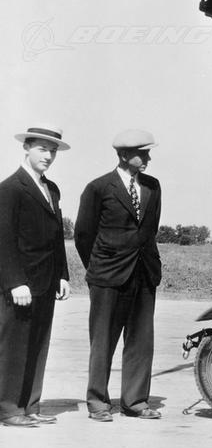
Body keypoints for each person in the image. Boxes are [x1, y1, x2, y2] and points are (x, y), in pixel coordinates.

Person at [75, 129, 162, 421]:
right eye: (142, 153)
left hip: (144, 273)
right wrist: (100, 267)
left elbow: (150, 229)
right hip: (108, 276)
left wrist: (149, 265)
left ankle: (135, 401)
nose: (148, 158)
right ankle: (98, 402)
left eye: (148, 153)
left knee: (141, 341)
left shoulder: (153, 186)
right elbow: (83, 234)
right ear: (124, 155)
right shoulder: (98, 188)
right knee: (103, 341)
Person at [0, 125, 71, 428]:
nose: (49, 156)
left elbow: (56, 237)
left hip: (46, 282)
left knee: (38, 345)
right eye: (42, 149)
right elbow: (3, 239)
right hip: (20, 285)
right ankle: (8, 409)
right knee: (14, 347)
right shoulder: (10, 189)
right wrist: (14, 281)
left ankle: (30, 405)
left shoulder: (51, 189)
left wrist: (63, 275)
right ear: (26, 148)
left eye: (53, 150)